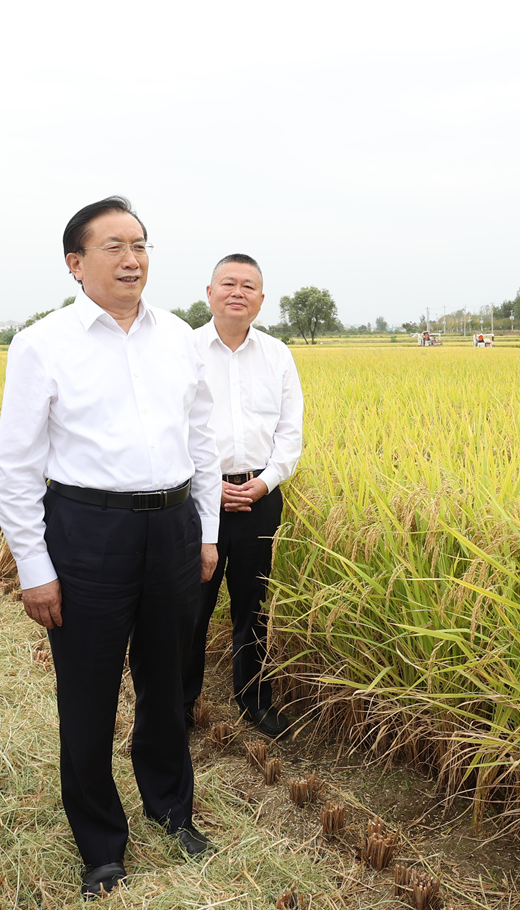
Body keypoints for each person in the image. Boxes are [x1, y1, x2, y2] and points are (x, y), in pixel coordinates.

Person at [0, 196, 222, 898]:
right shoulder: (42, 343)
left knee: (168, 681)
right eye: (114, 246)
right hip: (88, 531)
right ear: (75, 263)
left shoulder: (179, 336)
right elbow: (18, 466)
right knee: (88, 692)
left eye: (141, 245)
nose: (132, 259)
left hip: (173, 526)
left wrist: (207, 532)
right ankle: (99, 842)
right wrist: (34, 567)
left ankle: (171, 808)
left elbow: (203, 440)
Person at [183, 254, 303, 737]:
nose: (238, 292)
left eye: (248, 285)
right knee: (191, 605)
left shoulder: (278, 354)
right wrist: (208, 486)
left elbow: (289, 433)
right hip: (195, 499)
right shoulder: (184, 349)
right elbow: (169, 429)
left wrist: (266, 481)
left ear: (261, 298)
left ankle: (254, 701)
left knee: (253, 606)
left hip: (259, 497)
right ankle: (180, 702)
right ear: (209, 292)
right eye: (228, 283)